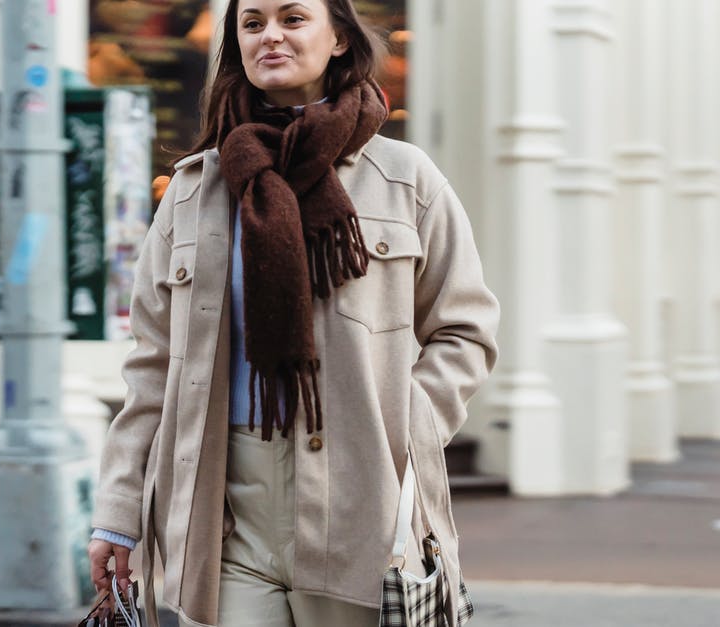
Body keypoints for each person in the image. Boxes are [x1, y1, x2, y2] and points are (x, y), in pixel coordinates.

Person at [87, 1, 499, 625]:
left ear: (338, 38)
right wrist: (118, 514)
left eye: (292, 18)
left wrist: (407, 423)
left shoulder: (406, 179)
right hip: (223, 503)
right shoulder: (196, 191)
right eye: (252, 24)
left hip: (358, 494)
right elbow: (151, 365)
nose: (270, 36)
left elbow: (464, 331)